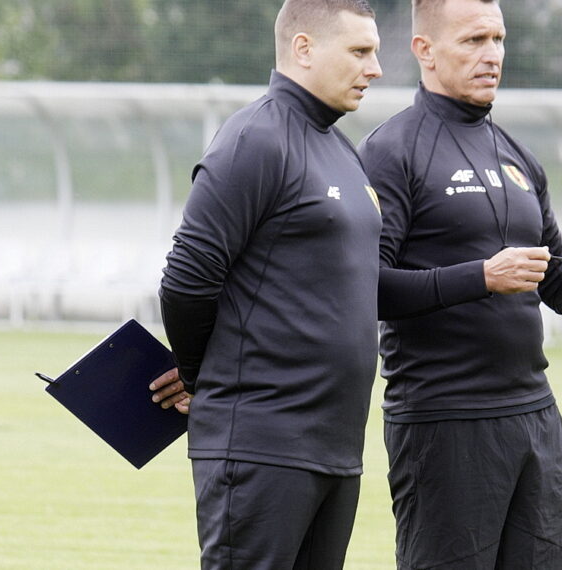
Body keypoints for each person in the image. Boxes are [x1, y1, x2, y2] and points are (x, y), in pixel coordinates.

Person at [356, 0, 562, 567]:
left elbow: (556, 280)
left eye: (499, 39)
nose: (493, 55)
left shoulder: (517, 155)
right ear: (424, 51)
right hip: (443, 420)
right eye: (474, 40)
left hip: (534, 416)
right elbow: (366, 290)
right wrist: (481, 277)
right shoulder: (391, 152)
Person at [147, 1, 383, 567]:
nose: (374, 68)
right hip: (260, 445)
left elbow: (362, 286)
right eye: (359, 51)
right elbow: (186, 280)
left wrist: (477, 278)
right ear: (303, 49)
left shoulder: (338, 147)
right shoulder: (256, 138)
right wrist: (207, 382)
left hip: (335, 447)